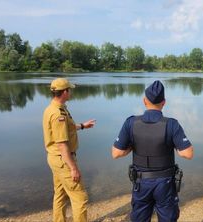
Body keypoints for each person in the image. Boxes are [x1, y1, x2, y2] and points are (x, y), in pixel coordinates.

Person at [112, 80, 193, 222]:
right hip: (165, 183)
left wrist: (132, 147)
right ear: (164, 102)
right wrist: (172, 145)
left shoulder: (131, 123)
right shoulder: (171, 124)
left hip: (141, 182)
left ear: (144, 101)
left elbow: (116, 153)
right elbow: (188, 154)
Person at [42, 78, 96, 222]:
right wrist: (73, 168)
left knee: (60, 194)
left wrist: (83, 126)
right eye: (69, 89)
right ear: (65, 92)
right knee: (80, 197)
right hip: (63, 160)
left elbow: (67, 128)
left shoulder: (54, 108)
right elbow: (62, 144)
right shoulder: (58, 115)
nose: (71, 92)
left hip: (55, 159)